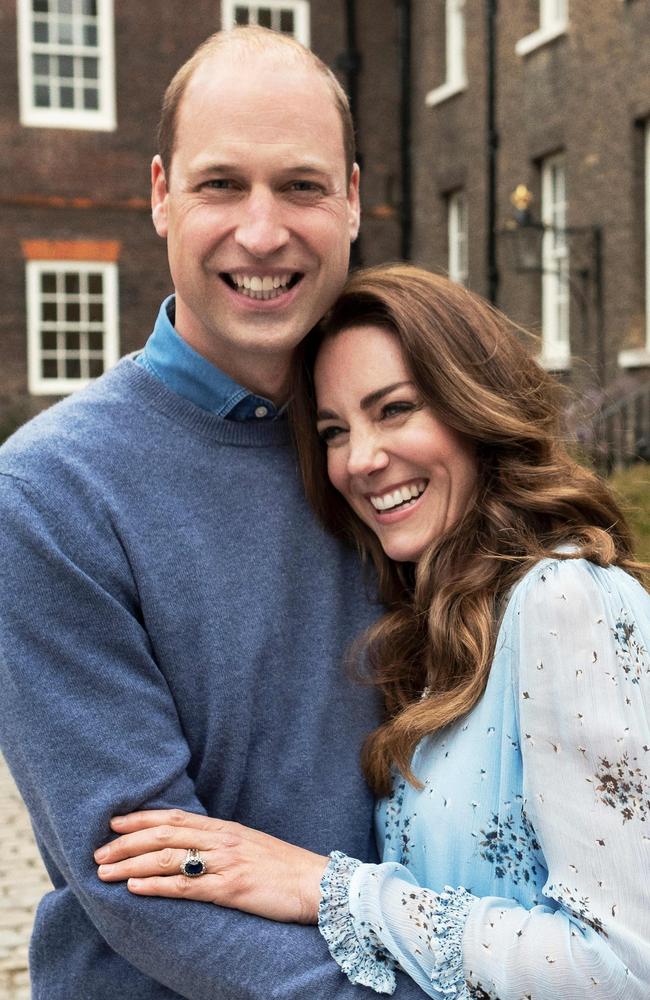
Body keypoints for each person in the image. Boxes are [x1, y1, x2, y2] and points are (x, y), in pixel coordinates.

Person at [0, 30, 429, 1000]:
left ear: (354, 197)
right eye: (221, 184)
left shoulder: (404, 459)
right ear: (160, 193)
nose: (264, 230)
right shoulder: (49, 492)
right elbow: (147, 878)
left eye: (302, 187)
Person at [96, 265, 650, 999]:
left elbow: (618, 968)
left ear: (473, 406)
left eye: (394, 410)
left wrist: (327, 888)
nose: (359, 460)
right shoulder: (442, 624)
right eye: (334, 431)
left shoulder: (565, 600)